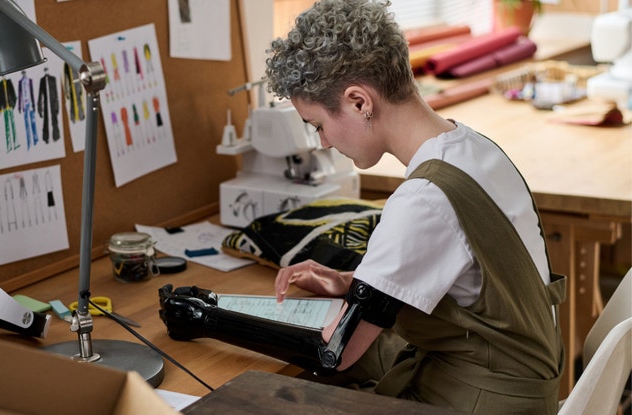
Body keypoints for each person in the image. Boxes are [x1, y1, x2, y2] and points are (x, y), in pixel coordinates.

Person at [159, 1, 565, 413]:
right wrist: (351, 281)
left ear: (358, 102)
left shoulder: (424, 197)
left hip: (484, 400)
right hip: (516, 378)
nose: (323, 142)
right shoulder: (475, 149)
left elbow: (333, 353)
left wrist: (207, 319)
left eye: (319, 125)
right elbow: (469, 280)